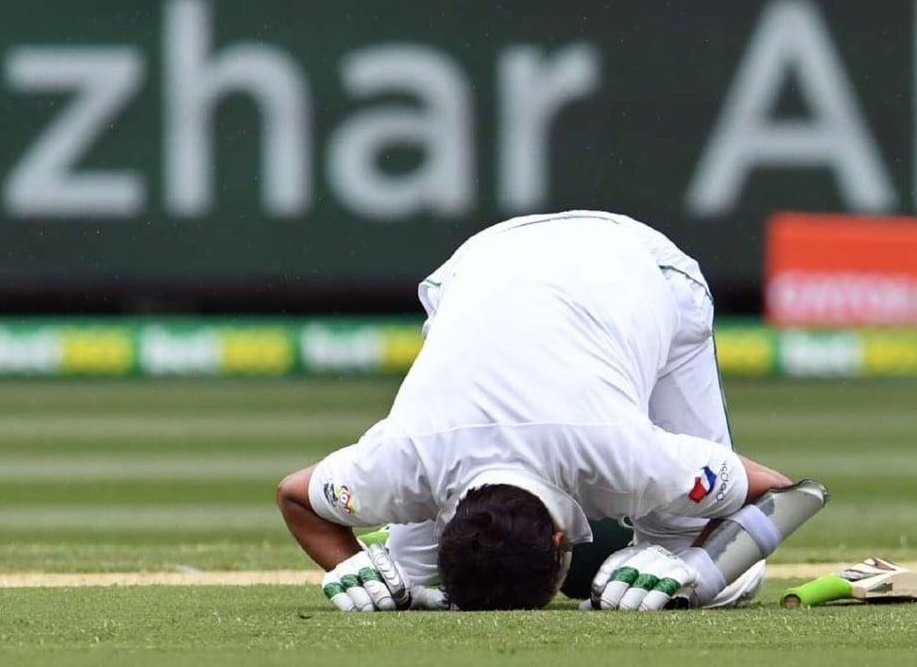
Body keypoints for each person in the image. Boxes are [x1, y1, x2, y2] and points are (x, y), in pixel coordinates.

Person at [277, 210, 791, 612]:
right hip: (480, 260)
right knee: (404, 578)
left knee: (699, 566)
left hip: (639, 261)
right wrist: (369, 576)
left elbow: (785, 492)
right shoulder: (397, 464)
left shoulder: (628, 455)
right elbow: (296, 497)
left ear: (559, 542)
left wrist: (697, 573)